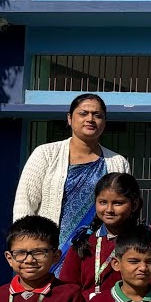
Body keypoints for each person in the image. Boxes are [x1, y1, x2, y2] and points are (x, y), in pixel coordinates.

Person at [14, 94, 131, 270]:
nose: (90, 119)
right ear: (69, 118)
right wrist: (27, 250)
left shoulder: (118, 162)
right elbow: (24, 205)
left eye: (97, 115)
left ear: (104, 122)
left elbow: (127, 210)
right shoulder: (45, 154)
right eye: (83, 113)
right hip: (49, 253)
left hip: (98, 252)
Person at [59, 172, 147, 301]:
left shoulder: (146, 242)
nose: (109, 209)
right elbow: (67, 289)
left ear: (134, 204)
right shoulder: (84, 243)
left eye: (118, 203)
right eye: (103, 202)